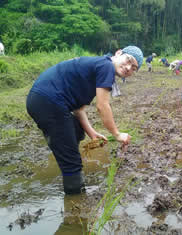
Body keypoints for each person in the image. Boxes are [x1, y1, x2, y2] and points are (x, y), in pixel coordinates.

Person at [26, 46, 143, 194]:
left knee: (76, 130)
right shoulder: (106, 66)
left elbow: (78, 109)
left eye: (133, 68)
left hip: (41, 100)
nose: (128, 67)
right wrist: (117, 134)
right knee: (72, 164)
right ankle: (75, 202)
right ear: (118, 53)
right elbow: (102, 106)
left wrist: (92, 133)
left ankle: (65, 149)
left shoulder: (100, 65)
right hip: (48, 101)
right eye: (128, 60)